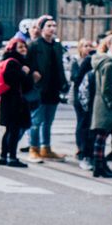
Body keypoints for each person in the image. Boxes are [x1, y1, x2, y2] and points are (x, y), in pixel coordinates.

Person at [26, 17, 68, 161]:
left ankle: (46, 148)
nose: (52, 28)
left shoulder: (57, 45)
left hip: (53, 87)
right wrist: (33, 73)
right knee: (36, 121)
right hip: (39, 88)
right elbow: (26, 63)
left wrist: (63, 83)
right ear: (42, 28)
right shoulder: (34, 45)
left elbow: (60, 66)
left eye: (54, 25)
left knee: (48, 121)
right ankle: (33, 148)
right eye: (49, 25)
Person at [0, 38, 34, 168]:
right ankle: (12, 157)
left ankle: (3, 156)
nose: (23, 49)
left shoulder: (7, 62)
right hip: (15, 102)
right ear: (13, 49)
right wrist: (25, 73)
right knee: (14, 131)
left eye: (24, 47)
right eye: (20, 47)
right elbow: (17, 81)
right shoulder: (14, 63)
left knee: (9, 130)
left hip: (7, 100)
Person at [88, 34, 112, 180]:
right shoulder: (109, 64)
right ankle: (99, 166)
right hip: (106, 105)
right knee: (102, 136)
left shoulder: (105, 60)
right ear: (109, 45)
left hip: (101, 103)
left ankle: (100, 165)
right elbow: (106, 87)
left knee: (102, 136)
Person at [69, 38, 96, 170]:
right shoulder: (77, 61)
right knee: (82, 123)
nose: (88, 48)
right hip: (79, 96)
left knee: (88, 123)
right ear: (80, 48)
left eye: (90, 45)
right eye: (85, 46)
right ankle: (81, 148)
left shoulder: (94, 59)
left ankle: (87, 149)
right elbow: (75, 77)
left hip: (91, 96)